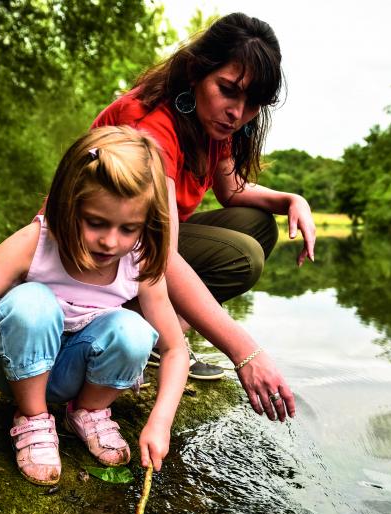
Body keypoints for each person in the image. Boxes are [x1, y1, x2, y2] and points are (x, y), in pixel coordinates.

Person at [0, 126, 189, 485]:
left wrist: (160, 422)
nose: (111, 241)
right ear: (68, 205)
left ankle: (88, 411)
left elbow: (174, 349)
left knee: (135, 330)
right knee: (32, 302)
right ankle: (32, 417)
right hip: (13, 367)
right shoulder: (34, 243)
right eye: (95, 223)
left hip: (73, 374)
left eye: (129, 229)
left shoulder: (139, 261)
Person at [93, 12, 316, 421]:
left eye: (253, 104)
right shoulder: (151, 128)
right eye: (228, 91)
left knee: (255, 224)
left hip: (141, 248)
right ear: (197, 70)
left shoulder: (210, 123)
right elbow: (163, 254)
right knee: (241, 255)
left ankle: (160, 335)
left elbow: (232, 190)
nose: (238, 113)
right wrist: (245, 351)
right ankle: (144, 335)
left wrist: (291, 199)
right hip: (95, 252)